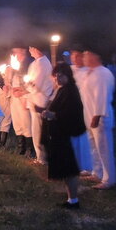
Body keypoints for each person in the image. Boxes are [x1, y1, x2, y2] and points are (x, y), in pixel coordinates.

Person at [41, 63, 87, 209]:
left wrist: (53, 115)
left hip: (68, 136)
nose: (57, 78)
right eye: (55, 76)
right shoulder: (63, 90)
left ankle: (74, 200)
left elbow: (72, 113)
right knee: (67, 169)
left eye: (60, 75)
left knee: (70, 169)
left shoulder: (71, 91)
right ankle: (71, 199)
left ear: (68, 75)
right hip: (60, 135)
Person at [80, 48, 116, 189]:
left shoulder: (103, 73)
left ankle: (109, 179)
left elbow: (102, 96)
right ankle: (97, 171)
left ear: (95, 56)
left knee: (104, 148)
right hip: (89, 116)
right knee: (94, 148)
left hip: (100, 118)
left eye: (86, 55)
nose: (83, 57)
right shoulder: (90, 72)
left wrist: (97, 116)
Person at [23, 46, 54, 165]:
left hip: (40, 102)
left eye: (31, 48)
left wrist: (27, 86)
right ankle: (40, 156)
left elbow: (36, 86)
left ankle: (42, 158)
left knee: (39, 131)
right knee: (36, 130)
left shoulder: (43, 64)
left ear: (37, 49)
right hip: (34, 100)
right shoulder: (36, 63)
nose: (29, 51)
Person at [3, 47, 33, 156]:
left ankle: (30, 149)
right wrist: (7, 87)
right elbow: (8, 82)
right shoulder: (11, 68)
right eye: (14, 52)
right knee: (17, 123)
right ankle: (21, 147)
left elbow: (30, 83)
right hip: (13, 98)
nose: (15, 54)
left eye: (17, 52)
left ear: (23, 52)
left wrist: (23, 92)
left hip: (23, 98)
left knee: (26, 123)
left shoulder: (28, 66)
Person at [69, 47, 93, 175]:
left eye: (78, 55)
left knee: (85, 138)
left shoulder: (89, 71)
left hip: (85, 108)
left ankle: (87, 165)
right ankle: (74, 163)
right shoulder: (69, 70)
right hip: (71, 108)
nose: (74, 58)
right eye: (73, 55)